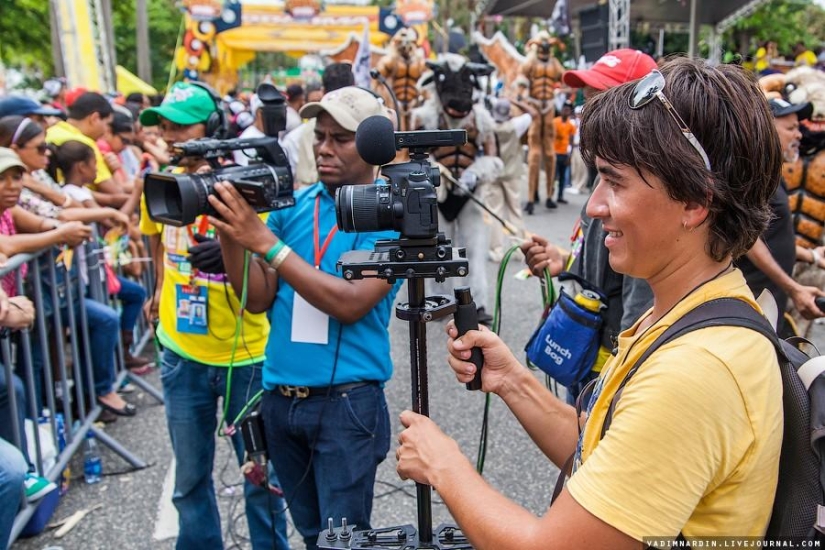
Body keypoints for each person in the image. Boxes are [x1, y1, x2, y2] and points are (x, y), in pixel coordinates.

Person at [398, 57, 784, 547]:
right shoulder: (685, 311)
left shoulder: (695, 371)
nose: (594, 206)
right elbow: (602, 449)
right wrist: (512, 381)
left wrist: (443, 465)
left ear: (694, 202)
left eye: (614, 181)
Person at [208, 86, 400, 550]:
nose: (324, 149)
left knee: (343, 541)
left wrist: (268, 245)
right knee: (312, 537)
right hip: (280, 400)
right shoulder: (293, 205)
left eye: (341, 138)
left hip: (347, 406)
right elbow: (256, 298)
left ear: (373, 146)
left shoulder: (391, 210)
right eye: (320, 136)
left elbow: (354, 301)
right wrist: (233, 233)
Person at [138, 81, 289, 550]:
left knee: (262, 480)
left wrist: (230, 250)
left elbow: (271, 260)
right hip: (181, 355)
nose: (169, 133)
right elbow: (154, 236)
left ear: (215, 127)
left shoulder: (245, 183)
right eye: (163, 124)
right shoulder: (160, 179)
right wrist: (158, 287)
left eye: (182, 124)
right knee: (189, 481)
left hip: (246, 358)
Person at [521, 49, 658, 402]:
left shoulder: (642, 191)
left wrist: (621, 378)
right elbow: (605, 268)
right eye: (589, 100)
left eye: (602, 101)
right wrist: (564, 261)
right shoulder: (608, 174)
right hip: (586, 360)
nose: (587, 113)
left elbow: (641, 303)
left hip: (609, 372)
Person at [736, 97, 825, 330]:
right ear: (766, 130)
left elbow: (771, 237)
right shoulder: (754, 175)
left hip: (769, 302)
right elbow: (748, 240)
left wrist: (812, 256)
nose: (799, 135)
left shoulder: (773, 175)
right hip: (752, 301)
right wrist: (793, 288)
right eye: (791, 128)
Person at [487, 97, 533, 260]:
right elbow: (531, 113)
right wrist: (516, 101)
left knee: (495, 213)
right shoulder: (516, 125)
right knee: (515, 211)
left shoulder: (489, 127)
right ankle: (519, 248)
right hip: (512, 173)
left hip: (494, 174)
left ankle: (496, 251)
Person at [552, 102, 576, 205]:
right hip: (554, 153)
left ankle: (560, 196)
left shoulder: (571, 125)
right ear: (561, 111)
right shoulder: (554, 122)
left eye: (567, 110)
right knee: (553, 176)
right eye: (564, 109)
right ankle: (550, 195)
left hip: (564, 154)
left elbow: (571, 141)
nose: (565, 112)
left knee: (562, 177)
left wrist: (569, 155)